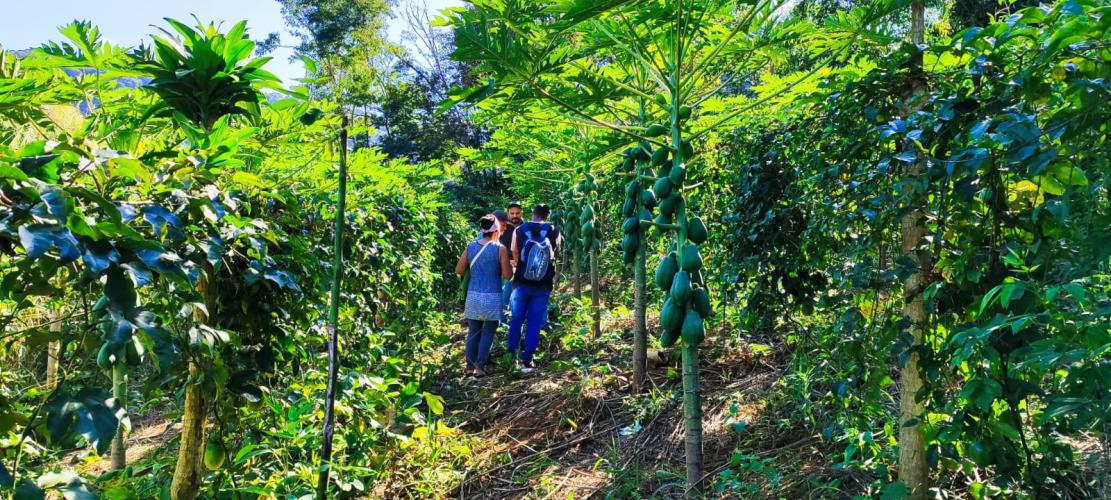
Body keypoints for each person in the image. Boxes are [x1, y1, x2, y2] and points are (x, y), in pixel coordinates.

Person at [455, 214, 512, 377]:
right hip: (492, 297)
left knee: (473, 331)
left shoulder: (471, 246)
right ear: (496, 230)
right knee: (487, 332)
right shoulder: (499, 249)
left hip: (473, 295)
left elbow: (459, 270)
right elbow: (508, 276)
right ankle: (479, 367)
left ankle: (469, 367)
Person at [508, 204, 560, 373]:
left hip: (521, 283)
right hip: (543, 285)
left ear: (532, 214)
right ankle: (527, 360)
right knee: (534, 322)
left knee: (516, 320)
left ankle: (510, 358)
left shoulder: (520, 230)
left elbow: (514, 253)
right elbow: (555, 254)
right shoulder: (554, 230)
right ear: (548, 215)